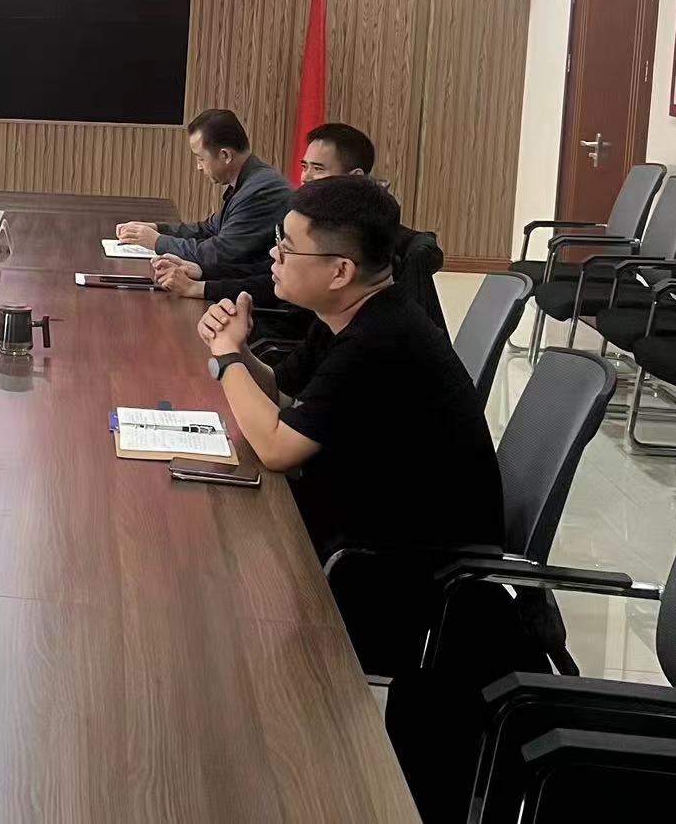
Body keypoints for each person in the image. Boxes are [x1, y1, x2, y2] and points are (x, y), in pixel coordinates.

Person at [195, 175, 502, 669]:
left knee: (212, 600)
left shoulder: (380, 340)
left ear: (340, 271)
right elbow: (283, 393)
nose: (273, 255)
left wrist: (227, 357)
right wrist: (243, 350)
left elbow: (277, 447)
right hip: (362, 523)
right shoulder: (350, 313)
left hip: (399, 568)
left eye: (286, 248)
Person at [152, 122, 374, 301]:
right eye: (304, 166)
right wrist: (203, 272)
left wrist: (200, 288)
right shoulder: (321, 216)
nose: (305, 177)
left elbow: (278, 286)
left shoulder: (358, 233)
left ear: (355, 177)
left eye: (318, 168)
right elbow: (270, 270)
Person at [115, 108, 291, 270]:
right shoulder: (249, 181)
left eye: (200, 158)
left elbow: (218, 254)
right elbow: (208, 229)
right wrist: (158, 229)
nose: (199, 167)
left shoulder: (261, 192)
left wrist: (157, 242)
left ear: (225, 155)